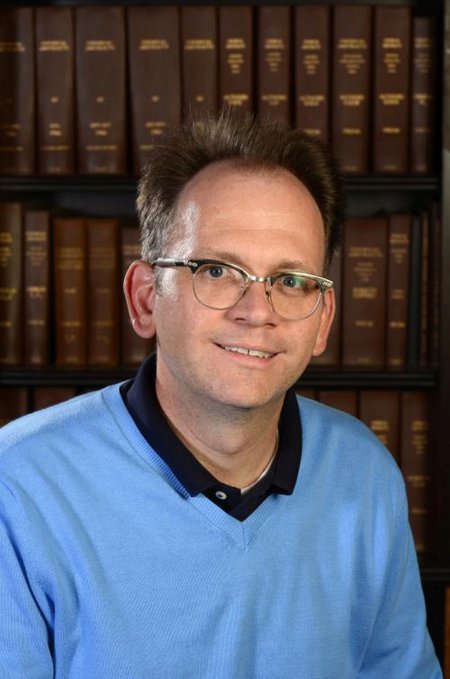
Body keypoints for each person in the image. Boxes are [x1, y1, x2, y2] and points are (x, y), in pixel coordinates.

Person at [0, 112, 442, 679]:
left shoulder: (365, 472)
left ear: (323, 318)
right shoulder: (19, 486)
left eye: (291, 281)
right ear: (144, 299)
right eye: (216, 270)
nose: (257, 311)